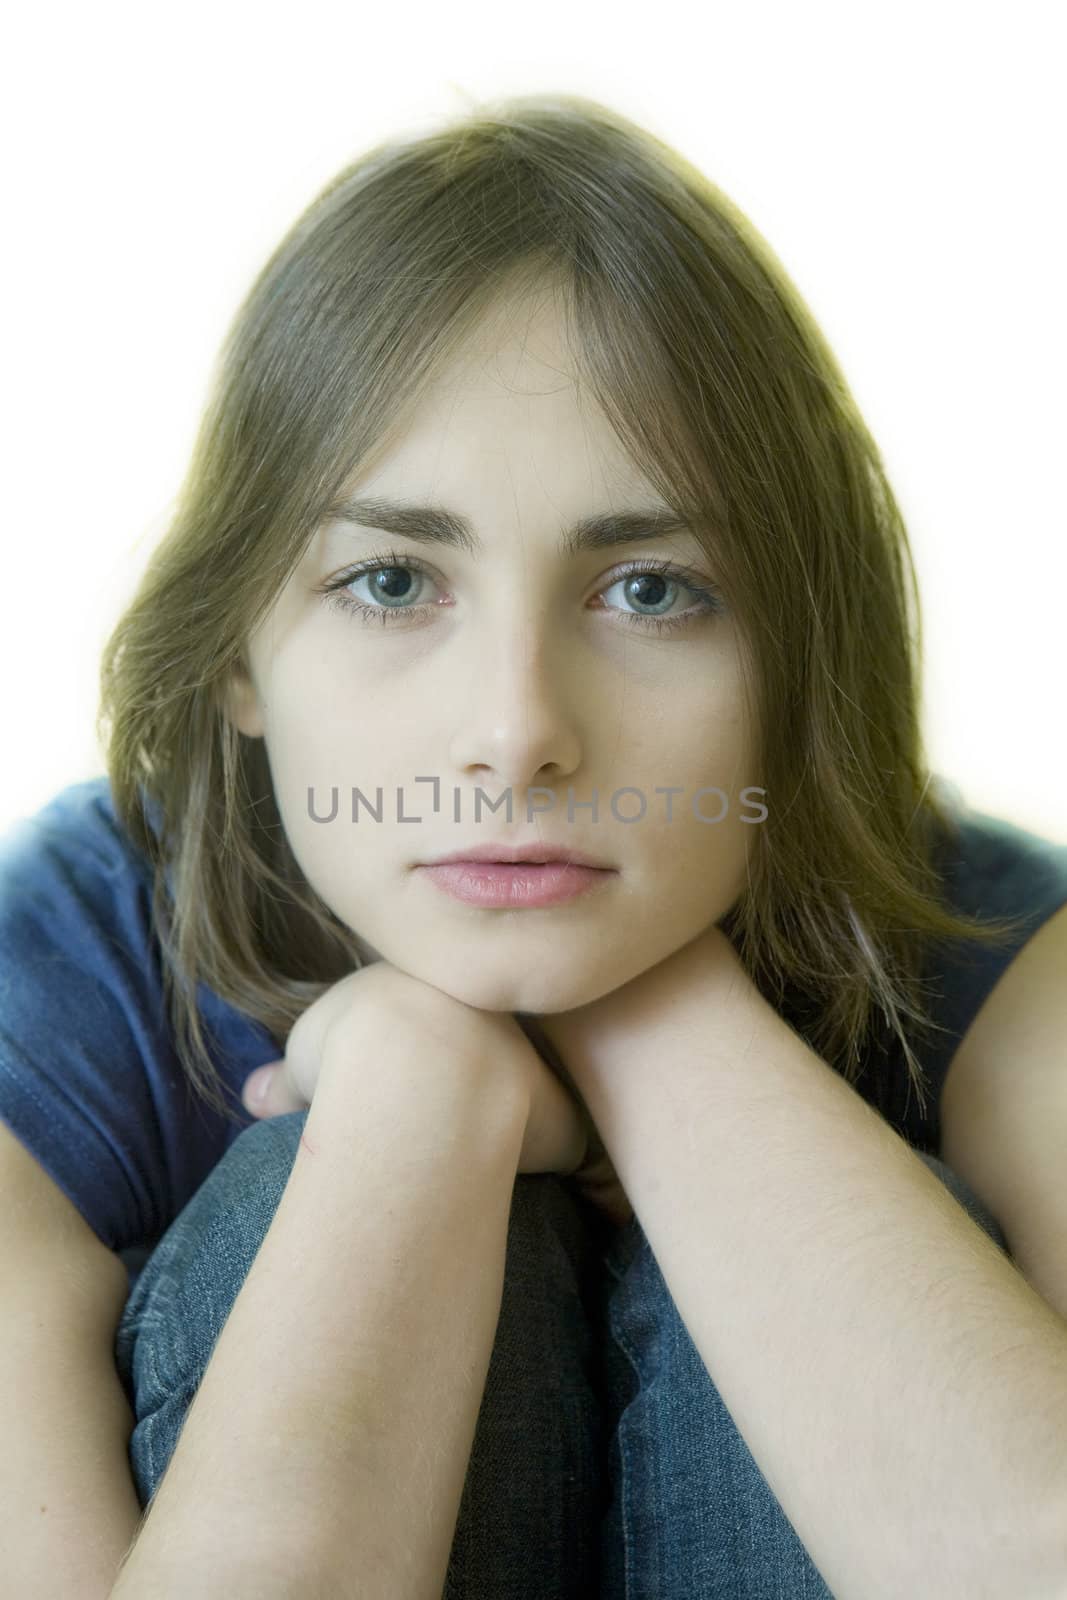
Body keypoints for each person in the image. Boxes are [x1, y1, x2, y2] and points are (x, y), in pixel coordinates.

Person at [3, 91, 1067, 1598]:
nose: (516, 733)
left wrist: (660, 1027)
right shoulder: (64, 972)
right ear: (237, 651)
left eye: (650, 590)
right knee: (290, 1216)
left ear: (799, 648)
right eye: (387, 583)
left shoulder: (1000, 956)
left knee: (859, 1235)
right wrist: (411, 1102)